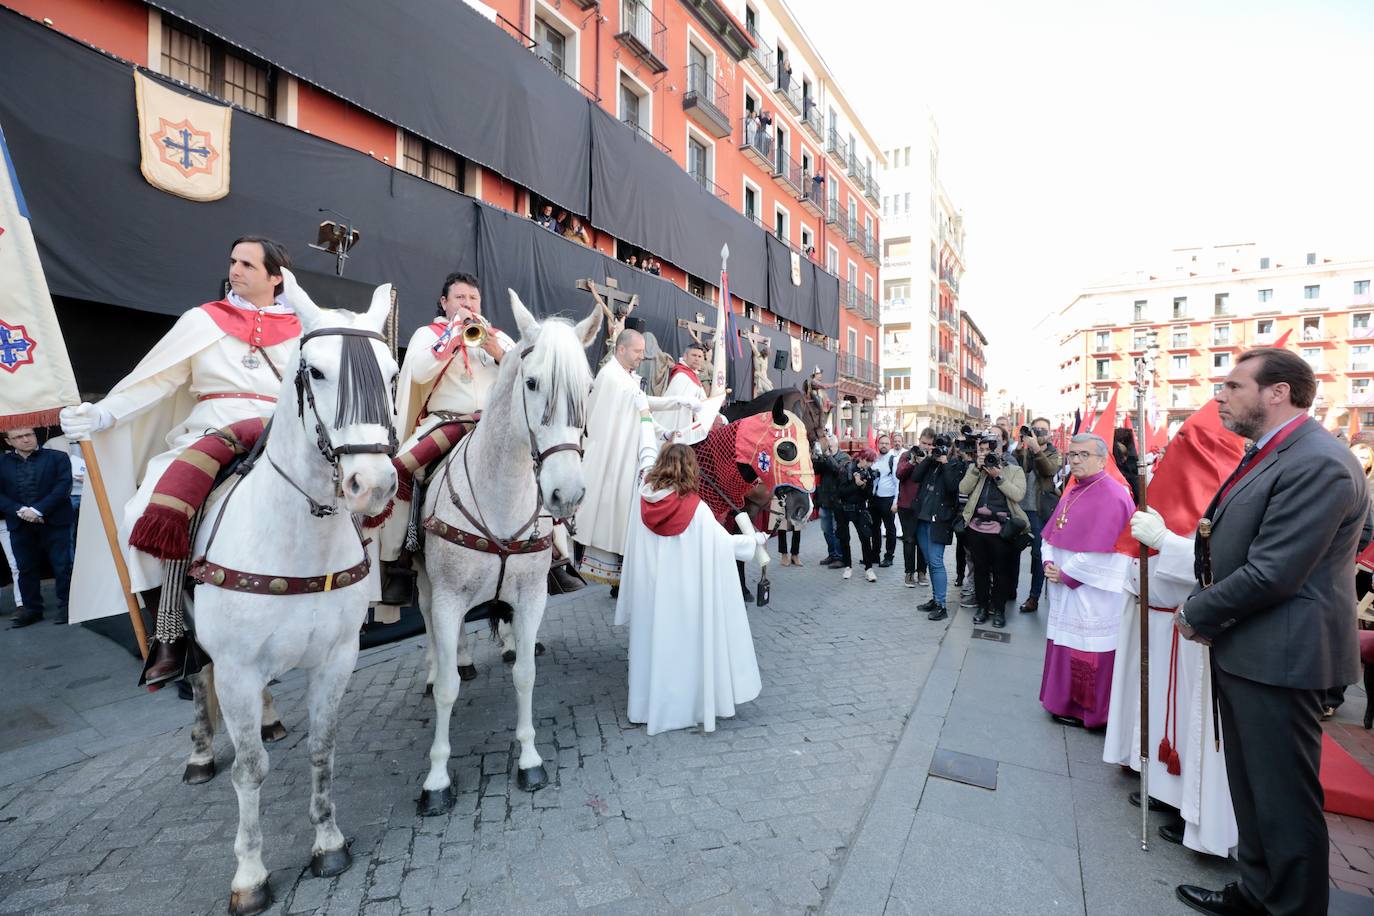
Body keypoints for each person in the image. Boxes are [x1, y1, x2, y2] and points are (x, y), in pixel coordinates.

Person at [1175, 348, 1364, 916]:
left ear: (1277, 392)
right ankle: (1258, 894)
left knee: (1283, 797)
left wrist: (1197, 612)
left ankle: (1290, 908)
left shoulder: (1318, 462)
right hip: (1252, 648)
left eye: (1233, 386)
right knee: (1254, 788)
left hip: (1283, 655)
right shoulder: (1273, 453)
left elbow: (1274, 571)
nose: (1220, 396)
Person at [60, 236, 299, 684]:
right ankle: (171, 635)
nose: (236, 270)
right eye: (233, 261)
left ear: (275, 277)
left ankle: (355, 588)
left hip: (279, 430)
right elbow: (159, 381)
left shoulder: (303, 327)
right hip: (211, 428)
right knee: (141, 517)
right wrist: (101, 413)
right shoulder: (202, 320)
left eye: (248, 264)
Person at [1105, 400, 1244, 858]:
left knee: (1193, 725)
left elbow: (1223, 564)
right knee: (1169, 720)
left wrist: (1165, 543)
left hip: (1197, 630)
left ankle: (1196, 813)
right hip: (1164, 622)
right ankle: (1167, 793)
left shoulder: (1231, 492)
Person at [616, 410, 764, 735]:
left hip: (649, 595)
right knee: (680, 651)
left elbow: (644, 451)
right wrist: (754, 540)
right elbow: (724, 546)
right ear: (690, 469)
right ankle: (686, 708)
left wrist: (643, 419)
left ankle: (645, 708)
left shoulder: (642, 493)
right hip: (682, 598)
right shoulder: (694, 508)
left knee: (650, 649)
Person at [380, 272, 517, 606]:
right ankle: (398, 560)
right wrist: (453, 338)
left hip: (492, 425)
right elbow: (420, 372)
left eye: (473, 298)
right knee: (399, 471)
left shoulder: (499, 337)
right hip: (445, 421)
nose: (468, 304)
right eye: (460, 298)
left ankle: (554, 551)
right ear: (444, 303)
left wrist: (497, 351)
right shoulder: (428, 334)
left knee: (536, 465)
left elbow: (527, 376)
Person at [576, 329, 693, 588]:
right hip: (613, 453)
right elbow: (642, 403)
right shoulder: (611, 377)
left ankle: (621, 572)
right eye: (638, 351)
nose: (642, 357)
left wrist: (662, 430)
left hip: (627, 450)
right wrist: (679, 401)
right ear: (621, 350)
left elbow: (638, 411)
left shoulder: (624, 377)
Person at [1038, 433, 1135, 725]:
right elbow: (1051, 534)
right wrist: (1048, 560)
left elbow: (1110, 552)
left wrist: (1066, 573)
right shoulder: (1072, 490)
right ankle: (1062, 702)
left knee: (1087, 651)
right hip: (1063, 587)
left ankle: (1086, 712)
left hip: (1093, 593)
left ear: (1102, 460)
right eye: (1073, 455)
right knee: (1065, 643)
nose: (1076, 460)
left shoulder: (1114, 495)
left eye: (1084, 455)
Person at [0, 428, 74, 627]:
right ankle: (32, 610)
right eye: (19, 437)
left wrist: (38, 510)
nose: (26, 439)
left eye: (29, 435)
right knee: (25, 568)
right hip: (19, 522)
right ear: (9, 442)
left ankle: (68, 607)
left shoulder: (58, 457)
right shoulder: (1, 463)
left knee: (62, 565)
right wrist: (21, 510)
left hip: (55, 520)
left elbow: (63, 487)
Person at [959, 434, 1028, 628]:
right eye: (982, 450)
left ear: (1000, 450)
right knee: (979, 570)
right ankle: (981, 607)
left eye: (990, 450)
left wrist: (998, 476)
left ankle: (998, 610)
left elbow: (1018, 495)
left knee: (1000, 572)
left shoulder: (1014, 470)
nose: (986, 453)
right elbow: (963, 489)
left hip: (1001, 530)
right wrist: (975, 468)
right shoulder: (976, 469)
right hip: (976, 529)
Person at [907, 438, 963, 620]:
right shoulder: (931, 463)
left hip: (939, 520)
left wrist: (945, 463)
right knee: (930, 561)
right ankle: (934, 599)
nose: (936, 449)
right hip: (923, 517)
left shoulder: (956, 464)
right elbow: (915, 477)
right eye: (933, 446)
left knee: (936, 561)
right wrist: (929, 459)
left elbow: (953, 486)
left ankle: (941, 605)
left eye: (940, 447)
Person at [1014, 418, 1063, 613]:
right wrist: (1020, 447)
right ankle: (1009, 589)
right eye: (1036, 429)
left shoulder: (1054, 453)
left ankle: (1033, 597)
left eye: (1044, 429)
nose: (1040, 432)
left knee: (1037, 555)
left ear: (1050, 433)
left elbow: (1049, 471)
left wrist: (1036, 449)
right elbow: (1016, 468)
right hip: (1019, 507)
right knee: (1012, 550)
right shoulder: (1025, 450)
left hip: (1040, 510)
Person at [835, 448, 878, 581]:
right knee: (844, 538)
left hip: (859, 509)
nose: (869, 464)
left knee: (865, 538)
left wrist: (864, 486)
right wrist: (856, 484)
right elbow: (841, 491)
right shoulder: (846, 469)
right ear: (861, 458)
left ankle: (869, 568)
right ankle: (848, 566)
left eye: (872, 462)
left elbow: (870, 495)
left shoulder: (869, 473)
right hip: (843, 509)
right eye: (868, 461)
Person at [652, 342, 707, 435]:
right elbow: (679, 405)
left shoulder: (693, 375)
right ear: (685, 356)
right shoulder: (681, 376)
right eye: (694, 355)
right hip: (677, 423)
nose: (697, 359)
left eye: (700, 356)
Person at [814, 433, 845, 567]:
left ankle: (840, 557)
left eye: (830, 446)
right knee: (826, 529)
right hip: (825, 500)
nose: (828, 448)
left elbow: (839, 470)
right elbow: (815, 470)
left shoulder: (844, 457)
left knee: (836, 529)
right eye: (827, 446)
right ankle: (832, 554)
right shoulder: (825, 456)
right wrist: (817, 457)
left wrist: (828, 456)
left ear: (836, 445)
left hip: (838, 501)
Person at [869, 435, 899, 568]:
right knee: (874, 528)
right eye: (882, 443)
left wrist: (895, 502)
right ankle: (874, 555)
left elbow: (897, 483)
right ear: (877, 444)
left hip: (888, 499)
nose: (884, 445)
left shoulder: (893, 460)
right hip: (874, 499)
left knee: (890, 529)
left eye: (887, 443)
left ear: (890, 445)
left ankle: (889, 557)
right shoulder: (873, 459)